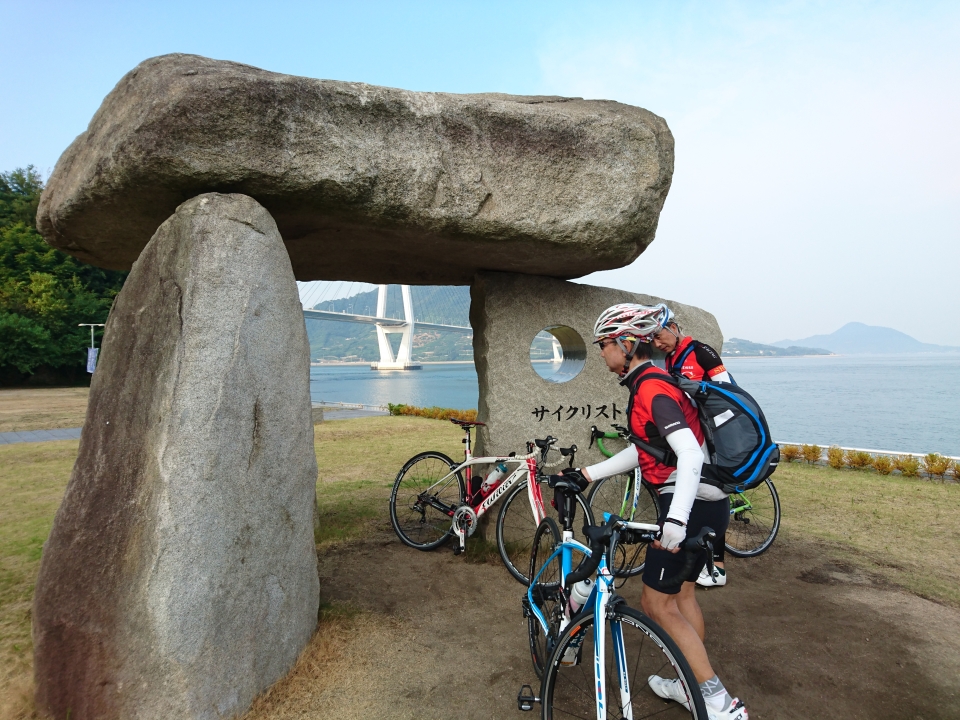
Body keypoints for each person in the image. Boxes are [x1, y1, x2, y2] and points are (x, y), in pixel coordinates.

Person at [548, 303, 747, 720]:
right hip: (711, 505)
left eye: (604, 344)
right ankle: (686, 682)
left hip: (688, 507)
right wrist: (587, 473)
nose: (601, 352)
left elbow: (689, 454)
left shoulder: (653, 389)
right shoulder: (652, 382)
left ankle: (718, 702)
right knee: (682, 596)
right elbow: (648, 449)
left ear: (625, 343)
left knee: (658, 605)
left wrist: (674, 520)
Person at [651, 306, 731, 588]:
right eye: (653, 342)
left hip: (711, 433)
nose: (658, 344)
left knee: (713, 491)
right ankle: (708, 562)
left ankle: (718, 567)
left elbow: (727, 390)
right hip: (691, 431)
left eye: (660, 336)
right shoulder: (670, 359)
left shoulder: (701, 352)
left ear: (673, 327)